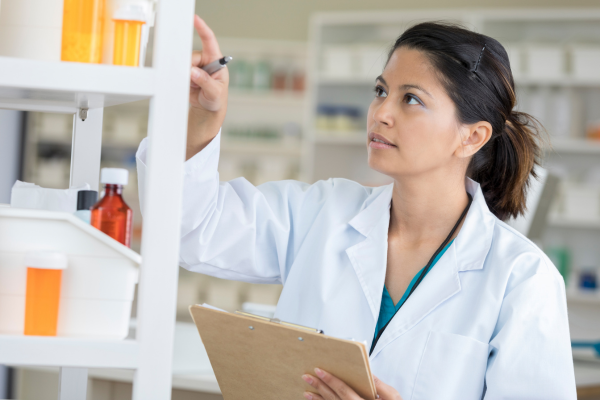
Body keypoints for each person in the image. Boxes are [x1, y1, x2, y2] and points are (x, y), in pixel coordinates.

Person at [136, 15, 576, 400]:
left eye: (412, 99)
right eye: (381, 90)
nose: (381, 112)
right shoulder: (322, 214)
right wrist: (198, 121)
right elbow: (192, 229)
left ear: (472, 137)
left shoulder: (522, 279)